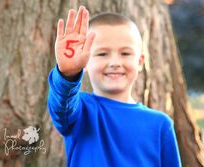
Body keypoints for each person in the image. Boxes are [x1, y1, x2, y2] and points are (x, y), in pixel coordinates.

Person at [47, 5, 182, 167]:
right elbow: (61, 103)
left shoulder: (160, 125)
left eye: (125, 53)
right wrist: (68, 74)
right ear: (86, 62)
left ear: (140, 61)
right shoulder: (80, 112)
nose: (115, 63)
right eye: (102, 54)